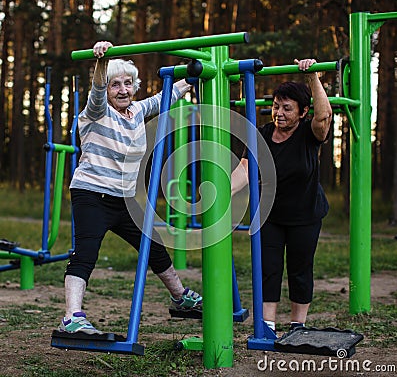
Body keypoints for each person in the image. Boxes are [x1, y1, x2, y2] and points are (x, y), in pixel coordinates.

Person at [58, 41, 202, 335]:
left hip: (123, 198)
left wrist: (192, 78)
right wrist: (101, 61)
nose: (122, 90)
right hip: (91, 193)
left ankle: (180, 298)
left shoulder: (136, 111)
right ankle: (72, 317)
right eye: (115, 85)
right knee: (86, 252)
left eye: (127, 83)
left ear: (134, 86)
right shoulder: (96, 112)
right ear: (107, 89)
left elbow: (166, 96)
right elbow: (96, 92)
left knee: (153, 245)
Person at [231, 58, 332, 334]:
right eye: (276, 106)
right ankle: (268, 325)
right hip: (270, 214)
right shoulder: (261, 134)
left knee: (300, 269)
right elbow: (245, 170)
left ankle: (298, 325)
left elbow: (324, 117)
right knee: (269, 268)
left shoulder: (309, 134)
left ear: (302, 112)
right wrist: (224, 192)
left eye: (287, 108)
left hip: (306, 214)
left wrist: (312, 77)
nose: (280, 113)